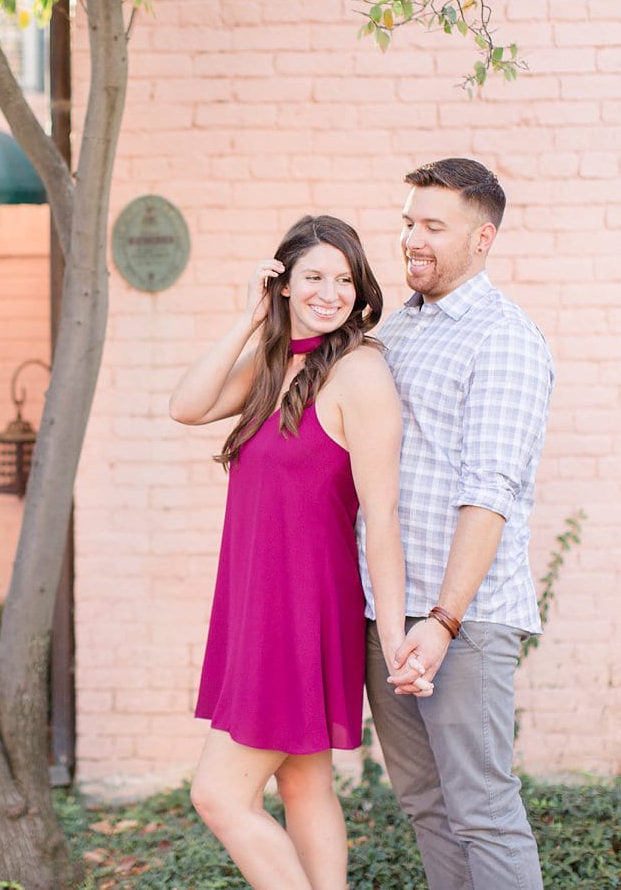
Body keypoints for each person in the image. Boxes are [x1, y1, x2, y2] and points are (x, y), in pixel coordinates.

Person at [170, 215, 412, 890]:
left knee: (218, 795)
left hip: (299, 614)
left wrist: (393, 635)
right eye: (313, 276)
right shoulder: (275, 363)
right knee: (302, 784)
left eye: (343, 278)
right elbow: (185, 406)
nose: (330, 291)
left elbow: (382, 513)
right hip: (256, 606)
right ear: (283, 284)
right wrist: (251, 319)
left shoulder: (360, 372)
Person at [362, 158, 556, 890]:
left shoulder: (501, 337)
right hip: (387, 613)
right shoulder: (395, 332)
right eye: (409, 221)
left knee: (481, 809)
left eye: (431, 226)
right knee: (424, 805)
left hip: (461, 621)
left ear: (481, 239)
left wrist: (441, 620)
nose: (411, 237)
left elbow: (490, 492)